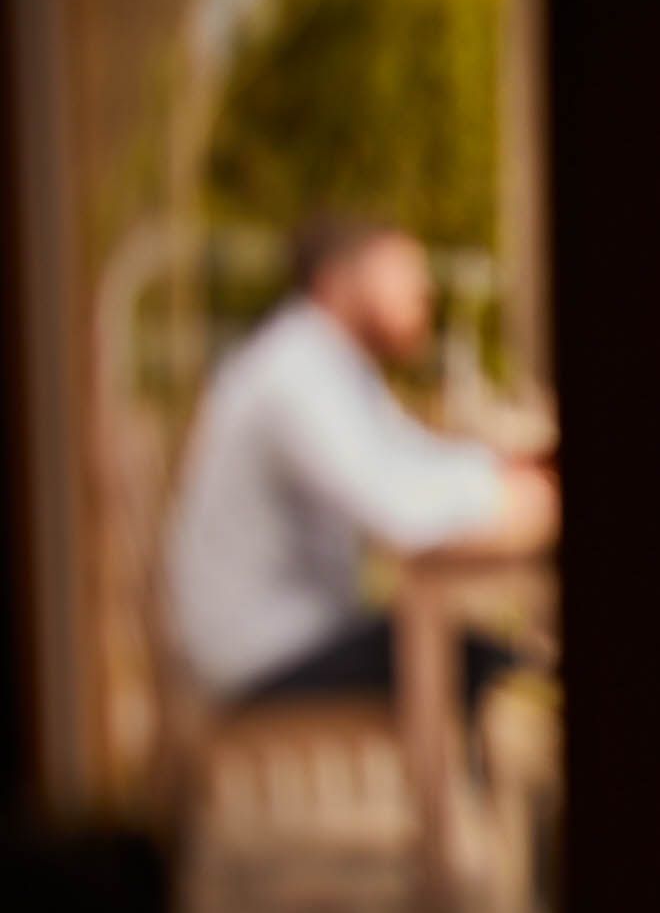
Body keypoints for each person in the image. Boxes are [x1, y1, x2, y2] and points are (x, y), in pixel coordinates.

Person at [164, 214, 559, 717]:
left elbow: (409, 458)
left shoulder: (326, 363)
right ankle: (463, 767)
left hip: (279, 637)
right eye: (400, 273)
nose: (423, 290)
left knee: (484, 656)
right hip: (262, 654)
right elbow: (398, 510)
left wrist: (507, 472)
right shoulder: (298, 375)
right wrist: (511, 493)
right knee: (480, 662)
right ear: (338, 282)